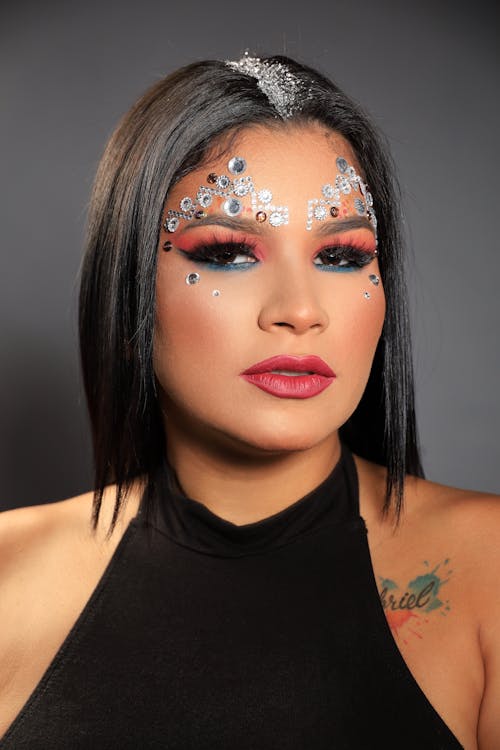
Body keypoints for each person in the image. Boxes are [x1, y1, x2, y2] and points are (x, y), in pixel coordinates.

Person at [0, 53, 498, 749]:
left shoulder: (489, 569)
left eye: (343, 255)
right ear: (129, 285)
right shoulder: (8, 575)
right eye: (230, 251)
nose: (299, 311)